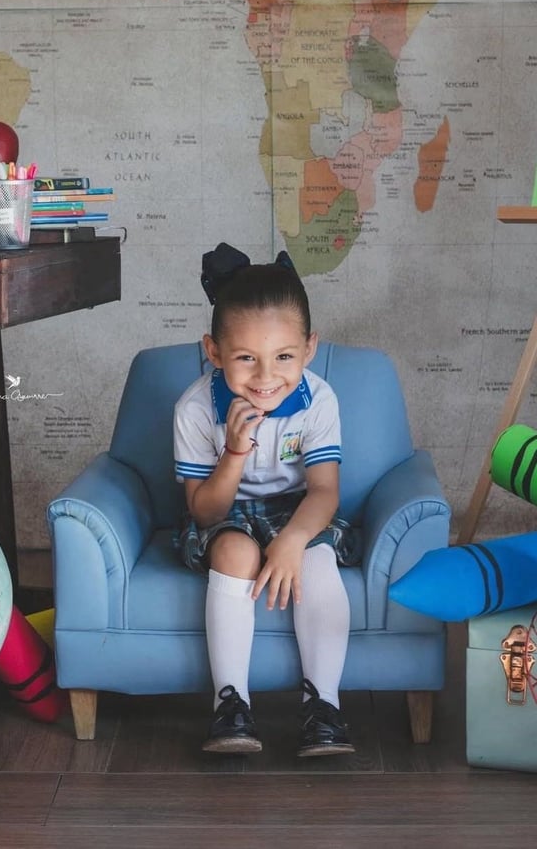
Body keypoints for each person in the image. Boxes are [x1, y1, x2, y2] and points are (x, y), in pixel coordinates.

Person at [173, 243, 359, 757]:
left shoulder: (318, 400)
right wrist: (234, 452)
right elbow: (204, 511)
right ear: (213, 352)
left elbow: (324, 490)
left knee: (317, 562)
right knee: (235, 552)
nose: (265, 377)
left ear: (309, 348)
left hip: (296, 507)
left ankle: (324, 705)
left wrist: (294, 541)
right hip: (225, 510)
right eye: (245, 359)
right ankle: (230, 705)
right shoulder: (194, 408)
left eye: (283, 357)